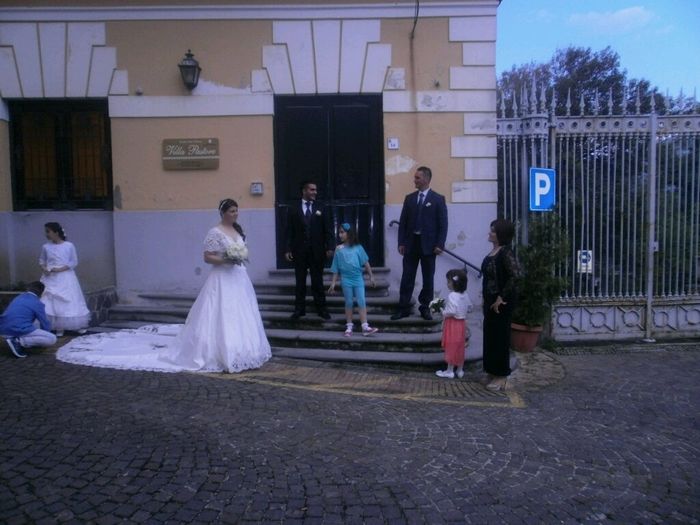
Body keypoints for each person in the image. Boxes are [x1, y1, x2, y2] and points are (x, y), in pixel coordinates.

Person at [56, 199, 271, 373]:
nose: (236, 214)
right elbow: (207, 257)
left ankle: (244, 351)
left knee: (241, 314)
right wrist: (226, 259)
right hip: (222, 278)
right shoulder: (215, 232)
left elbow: (243, 251)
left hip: (238, 278)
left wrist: (238, 258)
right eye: (232, 211)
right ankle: (221, 352)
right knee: (221, 313)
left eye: (237, 210)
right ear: (223, 213)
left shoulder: (238, 231)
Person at [392, 166, 448, 321]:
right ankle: (403, 308)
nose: (414, 180)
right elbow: (403, 222)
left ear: (426, 179)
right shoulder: (409, 198)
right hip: (411, 244)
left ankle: (425, 308)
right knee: (407, 277)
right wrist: (401, 242)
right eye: (415, 177)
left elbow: (443, 224)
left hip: (429, 246)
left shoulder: (438, 199)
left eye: (417, 178)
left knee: (428, 279)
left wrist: (440, 244)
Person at [285, 180, 334, 320]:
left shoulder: (321, 207)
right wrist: (287, 249)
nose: (315, 192)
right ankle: (299, 310)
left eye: (315, 190)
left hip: (317, 251)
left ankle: (321, 309)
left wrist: (330, 247)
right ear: (304, 191)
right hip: (299, 251)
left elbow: (328, 229)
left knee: (317, 281)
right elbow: (289, 231)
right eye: (312, 190)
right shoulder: (293, 208)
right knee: (300, 281)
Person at [481, 219, 519, 391]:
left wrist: (500, 297)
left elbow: (515, 276)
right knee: (490, 336)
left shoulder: (506, 252)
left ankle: (501, 375)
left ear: (501, 234)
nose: (490, 233)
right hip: (490, 300)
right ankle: (491, 371)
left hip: (501, 302)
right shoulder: (493, 251)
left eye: (493, 231)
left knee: (500, 337)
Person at [327, 223, 379, 337]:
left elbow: (366, 262)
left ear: (349, 233)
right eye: (339, 232)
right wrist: (333, 283)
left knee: (361, 301)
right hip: (346, 279)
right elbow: (335, 267)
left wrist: (371, 276)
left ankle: (365, 327)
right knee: (349, 302)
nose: (340, 235)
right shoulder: (338, 249)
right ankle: (349, 327)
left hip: (358, 278)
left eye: (342, 232)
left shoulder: (358, 247)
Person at [39, 222, 91, 336]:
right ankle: (58, 327)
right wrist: (45, 269)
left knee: (70, 300)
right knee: (50, 301)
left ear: (56, 232)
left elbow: (73, 262)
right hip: (50, 278)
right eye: (46, 231)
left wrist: (60, 269)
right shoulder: (45, 247)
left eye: (48, 231)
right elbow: (42, 261)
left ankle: (76, 325)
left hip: (65, 276)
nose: (46, 234)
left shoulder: (69, 245)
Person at [0, 281, 57, 358]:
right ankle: (18, 342)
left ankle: (14, 339)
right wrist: (44, 335)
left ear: (28, 289)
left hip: (3, 328)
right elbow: (45, 323)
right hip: (17, 328)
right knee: (52, 338)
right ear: (41, 293)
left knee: (32, 321)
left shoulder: (18, 297)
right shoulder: (37, 303)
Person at [435, 269, 470, 379]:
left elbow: (451, 311)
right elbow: (470, 307)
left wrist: (442, 311)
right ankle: (460, 369)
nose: (447, 284)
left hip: (453, 324)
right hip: (462, 323)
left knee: (452, 345)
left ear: (455, 283)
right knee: (460, 345)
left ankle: (449, 371)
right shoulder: (465, 294)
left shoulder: (452, 295)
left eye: (449, 282)